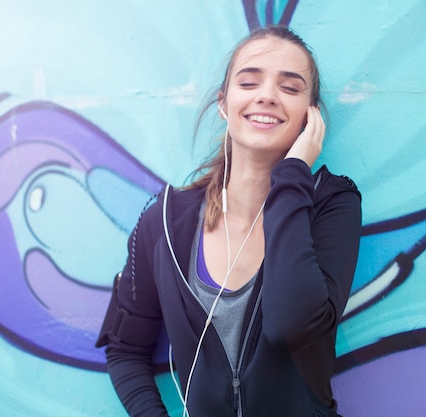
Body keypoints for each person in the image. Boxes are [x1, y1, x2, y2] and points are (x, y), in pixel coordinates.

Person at [96, 25, 362, 417]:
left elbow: (291, 326)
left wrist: (292, 176)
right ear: (224, 103)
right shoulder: (166, 222)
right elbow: (125, 349)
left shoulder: (331, 205)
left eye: (290, 88)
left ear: (311, 116)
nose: (267, 96)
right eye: (249, 82)